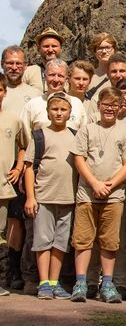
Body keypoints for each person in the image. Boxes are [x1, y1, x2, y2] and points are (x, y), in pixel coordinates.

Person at [70, 87, 126, 303]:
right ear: (99, 105)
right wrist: (95, 183)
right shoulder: (87, 130)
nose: (110, 109)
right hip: (87, 194)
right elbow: (79, 159)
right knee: (83, 240)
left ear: (120, 108)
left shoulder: (125, 131)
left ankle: (107, 283)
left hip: (114, 195)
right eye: (106, 104)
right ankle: (81, 282)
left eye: (114, 105)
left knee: (109, 241)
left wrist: (110, 184)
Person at [23, 92, 78, 300]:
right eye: (55, 109)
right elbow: (29, 168)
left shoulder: (75, 135)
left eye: (63, 110)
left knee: (60, 243)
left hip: (68, 198)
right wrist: (30, 197)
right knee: (42, 241)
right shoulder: (39, 135)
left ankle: (55, 282)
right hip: (44, 197)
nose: (59, 113)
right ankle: (43, 282)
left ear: (69, 113)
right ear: (48, 112)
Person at [20, 59, 87, 141]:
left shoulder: (77, 104)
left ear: (67, 78)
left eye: (60, 76)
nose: (56, 80)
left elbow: (84, 136)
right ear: (45, 76)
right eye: (52, 75)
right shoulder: (32, 105)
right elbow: (25, 140)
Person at [0, 73, 25, 286]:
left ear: (4, 92)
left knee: (3, 231)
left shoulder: (13, 119)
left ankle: (5, 275)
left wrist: (18, 167)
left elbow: (23, 146)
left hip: (4, 187)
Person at [87, 53, 126, 122]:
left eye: (122, 71)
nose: (118, 75)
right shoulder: (97, 99)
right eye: (114, 71)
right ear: (108, 74)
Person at [2, 45, 41, 117]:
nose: (14, 67)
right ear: (2, 64)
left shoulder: (36, 95)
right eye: (10, 63)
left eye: (18, 63)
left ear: (25, 65)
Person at [23, 28, 64, 93]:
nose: (50, 50)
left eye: (54, 46)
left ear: (61, 48)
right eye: (46, 46)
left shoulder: (68, 73)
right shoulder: (27, 72)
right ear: (39, 49)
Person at [86, 32, 118, 99]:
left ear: (115, 50)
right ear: (94, 52)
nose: (104, 51)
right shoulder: (87, 76)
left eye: (108, 47)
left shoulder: (122, 76)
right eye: (100, 48)